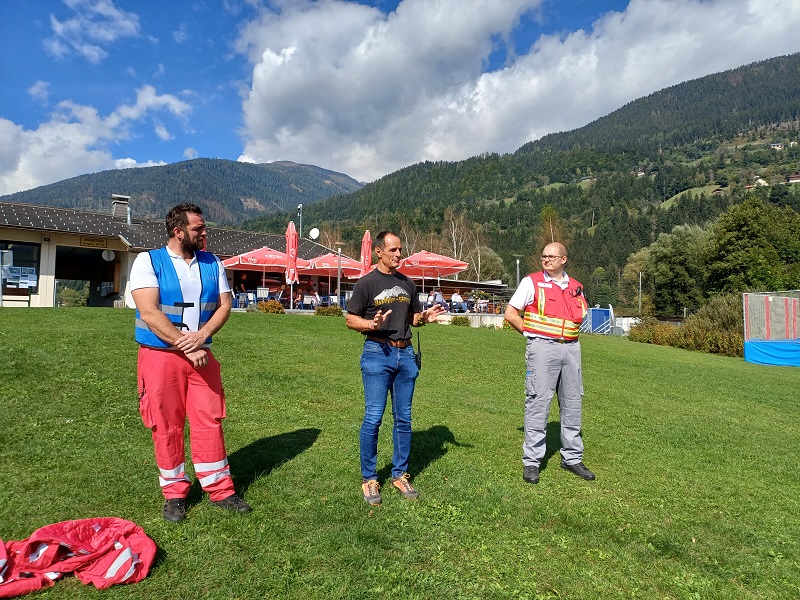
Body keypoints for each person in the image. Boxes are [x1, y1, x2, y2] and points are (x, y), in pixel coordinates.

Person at [130, 203, 251, 522]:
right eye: (198, 228)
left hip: (201, 356)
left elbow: (224, 306)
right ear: (178, 231)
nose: (205, 232)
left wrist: (204, 335)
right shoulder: (148, 261)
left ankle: (220, 489)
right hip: (160, 358)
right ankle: (175, 494)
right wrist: (186, 345)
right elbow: (149, 312)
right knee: (165, 425)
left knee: (210, 420)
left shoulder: (213, 263)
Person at [346, 231, 446, 506]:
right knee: (374, 416)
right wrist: (370, 325)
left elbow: (413, 318)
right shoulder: (366, 283)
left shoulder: (408, 284)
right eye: (393, 250)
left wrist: (424, 318)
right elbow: (350, 319)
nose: (398, 254)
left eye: (400, 249)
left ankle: (400, 474)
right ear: (379, 251)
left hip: (405, 355)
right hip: (377, 352)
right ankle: (369, 479)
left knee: (404, 418)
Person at [503, 242, 594, 485]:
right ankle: (532, 462)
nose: (546, 260)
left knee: (573, 403)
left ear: (564, 259)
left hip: (572, 349)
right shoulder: (531, 282)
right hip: (542, 348)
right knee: (538, 402)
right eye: (543, 256)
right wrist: (530, 334)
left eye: (552, 256)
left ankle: (572, 458)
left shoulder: (576, 287)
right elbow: (510, 313)